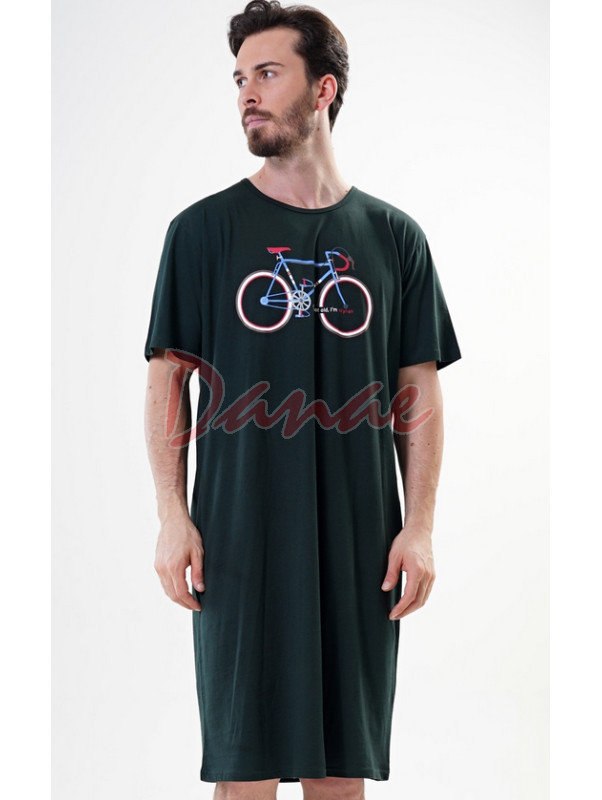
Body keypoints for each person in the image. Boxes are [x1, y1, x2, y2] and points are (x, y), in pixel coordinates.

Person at [143, 2, 461, 798]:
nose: (247, 94)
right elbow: (166, 380)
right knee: (242, 775)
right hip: (237, 539)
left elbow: (418, 391)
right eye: (239, 79)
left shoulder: (394, 238)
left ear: (324, 89)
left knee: (340, 777)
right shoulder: (201, 232)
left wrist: (419, 526)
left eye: (267, 73)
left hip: (360, 541)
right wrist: (173, 516)